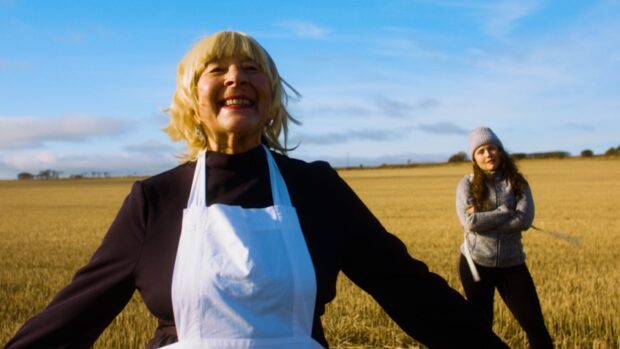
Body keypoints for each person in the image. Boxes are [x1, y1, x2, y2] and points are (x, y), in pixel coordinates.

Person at [5, 31, 508, 349]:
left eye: (252, 69)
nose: (235, 78)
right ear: (190, 100)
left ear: (271, 101)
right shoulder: (154, 200)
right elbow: (72, 317)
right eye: (216, 69)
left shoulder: (316, 189)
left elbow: (410, 291)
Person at [456, 127, 554, 348]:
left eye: (491, 148)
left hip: (512, 263)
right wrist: (504, 211)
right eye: (480, 151)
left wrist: (484, 219)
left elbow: (525, 220)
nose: (487, 154)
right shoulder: (467, 184)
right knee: (480, 329)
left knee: (536, 329)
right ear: (474, 157)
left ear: (500, 151)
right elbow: (469, 223)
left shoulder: (518, 183)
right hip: (476, 264)